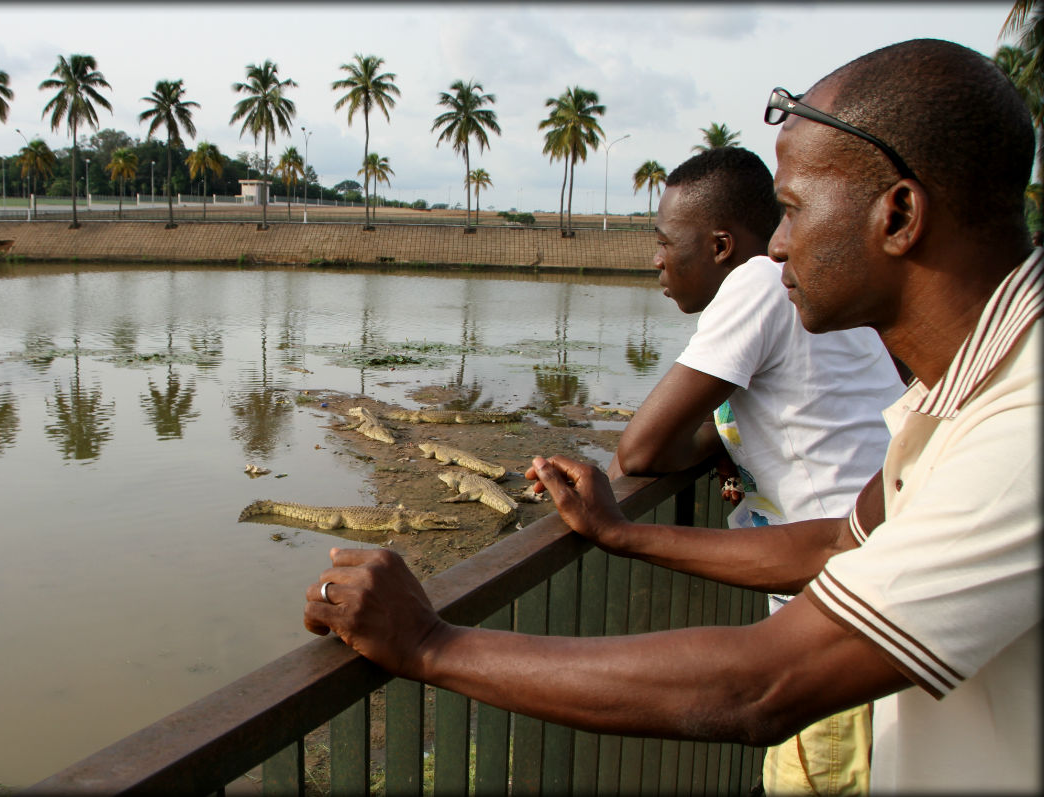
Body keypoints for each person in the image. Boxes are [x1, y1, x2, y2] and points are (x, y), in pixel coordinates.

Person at [304, 39, 1040, 794]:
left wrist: (429, 643)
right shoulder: (960, 390)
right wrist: (624, 533)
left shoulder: (1022, 429)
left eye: (791, 210)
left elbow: (759, 686)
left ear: (900, 214)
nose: (777, 246)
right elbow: (833, 543)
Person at [612, 145, 904, 793]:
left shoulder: (756, 284)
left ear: (720, 246)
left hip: (836, 619)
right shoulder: (805, 288)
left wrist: (709, 444)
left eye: (665, 241)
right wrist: (726, 443)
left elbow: (639, 452)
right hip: (873, 600)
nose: (656, 259)